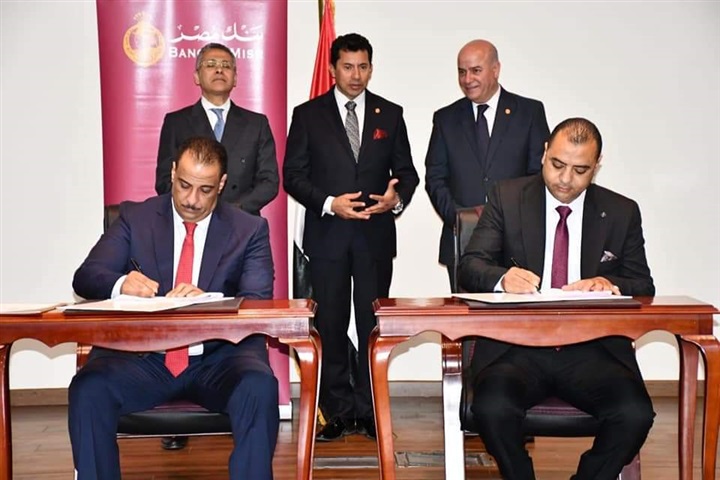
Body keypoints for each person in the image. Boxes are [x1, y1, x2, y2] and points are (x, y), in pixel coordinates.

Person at [69, 137, 278, 480]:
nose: (192, 199)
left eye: (205, 189)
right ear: (172, 173)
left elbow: (256, 300)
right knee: (88, 388)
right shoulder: (135, 218)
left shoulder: (249, 229)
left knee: (259, 387)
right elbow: (87, 276)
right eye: (184, 185)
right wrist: (122, 283)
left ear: (221, 184)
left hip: (219, 359)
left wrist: (207, 301)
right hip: (141, 359)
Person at [459, 118, 655, 480]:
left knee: (634, 414)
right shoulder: (507, 197)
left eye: (580, 170)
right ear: (544, 153)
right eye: (557, 164)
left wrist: (608, 282)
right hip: (516, 347)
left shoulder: (621, 211)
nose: (565, 179)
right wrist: (502, 278)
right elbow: (470, 266)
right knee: (492, 408)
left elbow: (643, 284)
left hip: (592, 349)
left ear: (596, 166)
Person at [283, 33, 419, 441]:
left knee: (373, 325)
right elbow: (293, 175)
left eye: (363, 67)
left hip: (374, 238)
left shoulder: (390, 114)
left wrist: (395, 199)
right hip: (328, 237)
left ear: (371, 68)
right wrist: (329, 203)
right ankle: (338, 410)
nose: (356, 75)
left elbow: (407, 174)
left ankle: (371, 409)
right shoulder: (308, 115)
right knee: (331, 324)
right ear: (332, 68)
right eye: (347, 67)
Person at [425, 39, 550, 291]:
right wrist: (461, 219)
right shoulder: (445, 118)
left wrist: (513, 220)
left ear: (495, 69)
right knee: (466, 316)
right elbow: (435, 178)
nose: (467, 79)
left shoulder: (529, 112)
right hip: (462, 242)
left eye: (476, 70)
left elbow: (539, 174)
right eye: (462, 71)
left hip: (517, 242)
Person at [155, 42, 279, 216]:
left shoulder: (257, 123)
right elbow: (165, 180)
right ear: (197, 77)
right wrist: (196, 206)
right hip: (192, 217)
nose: (219, 70)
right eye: (211, 65)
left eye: (226, 66)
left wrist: (235, 211)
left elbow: (269, 181)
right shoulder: (176, 122)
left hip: (242, 220)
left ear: (235, 79)